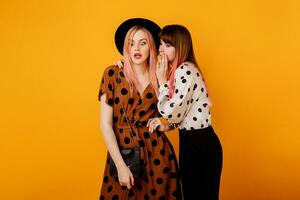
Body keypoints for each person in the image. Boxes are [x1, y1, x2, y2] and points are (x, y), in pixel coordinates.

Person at [98, 18, 182, 200]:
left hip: (158, 157)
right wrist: (120, 167)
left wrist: (163, 124)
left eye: (142, 43)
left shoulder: (161, 75)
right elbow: (105, 125)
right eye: (131, 43)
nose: (136, 48)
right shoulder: (112, 74)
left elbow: (175, 118)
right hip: (124, 155)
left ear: (151, 47)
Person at [150, 24, 223, 200]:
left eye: (168, 45)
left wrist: (162, 83)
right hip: (192, 142)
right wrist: (167, 126)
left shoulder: (185, 70)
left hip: (201, 144)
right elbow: (184, 113)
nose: (161, 49)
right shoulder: (179, 70)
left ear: (180, 46)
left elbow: (172, 111)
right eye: (161, 44)